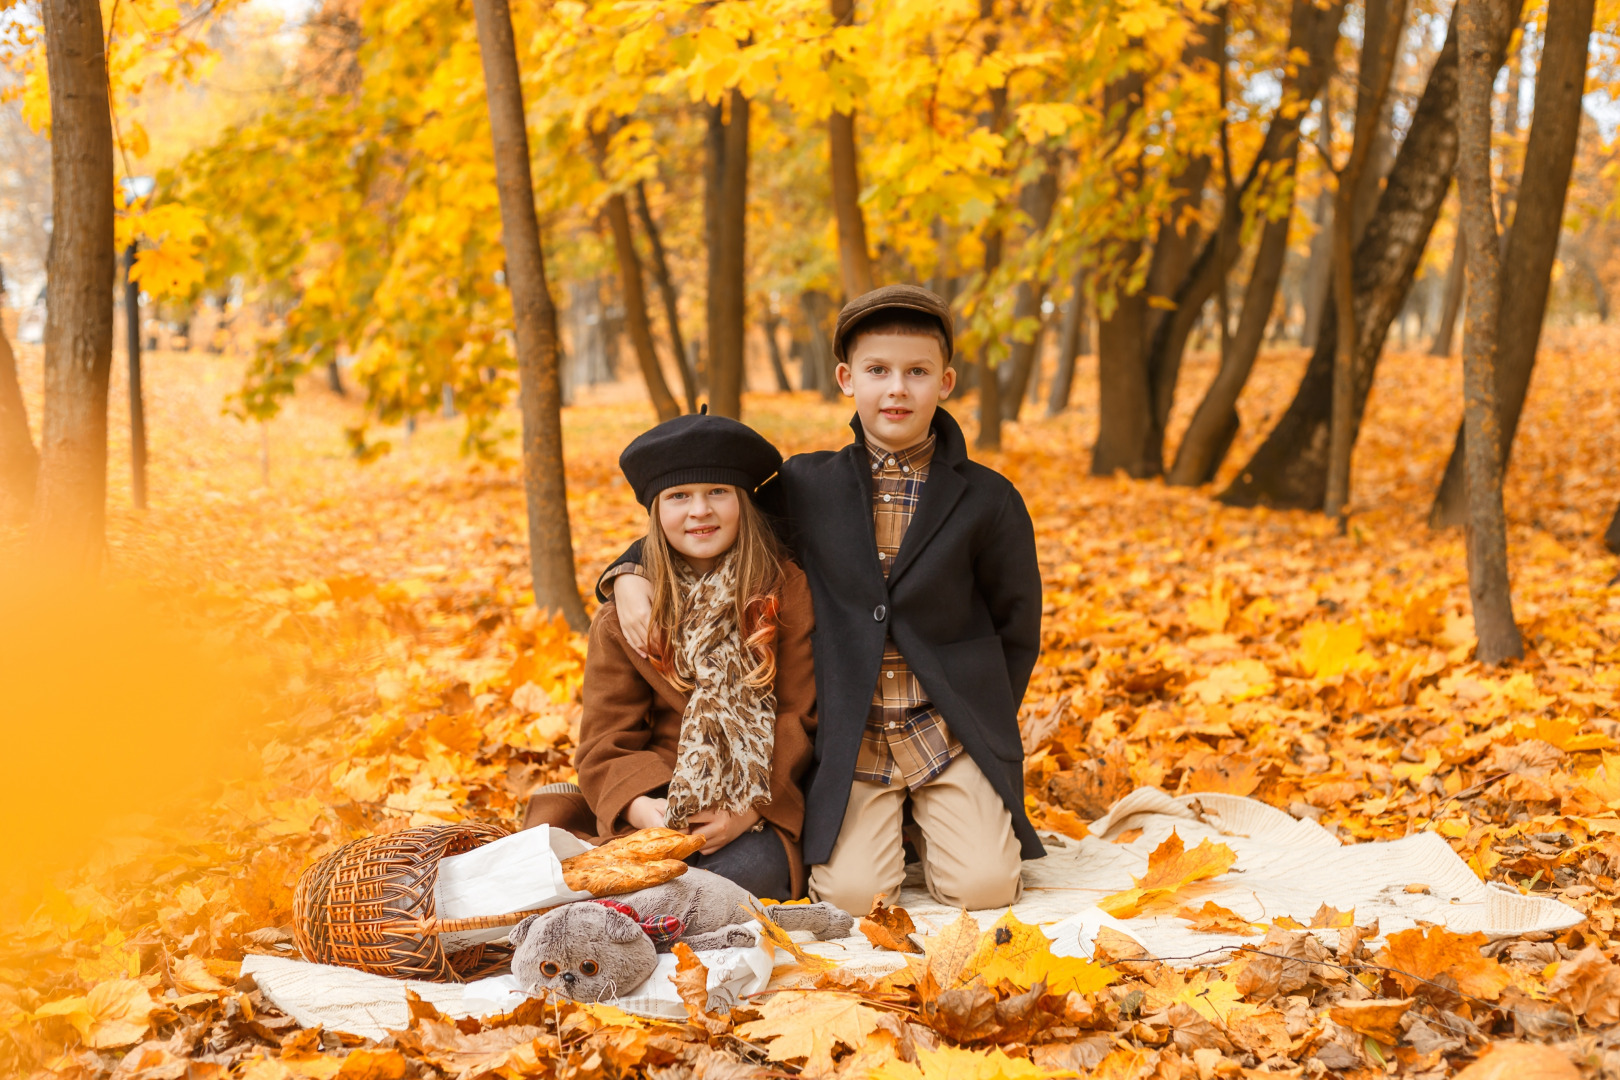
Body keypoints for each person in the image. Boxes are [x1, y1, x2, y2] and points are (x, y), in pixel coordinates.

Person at [601, 284, 1043, 914]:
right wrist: (627, 572)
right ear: (846, 379)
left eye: (917, 372)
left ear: (945, 382)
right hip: (853, 735)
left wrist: (981, 713)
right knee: (851, 897)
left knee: (986, 888)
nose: (897, 389)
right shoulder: (809, 484)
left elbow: (1017, 624)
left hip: (945, 732)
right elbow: (713, 528)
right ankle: (895, 828)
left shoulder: (988, 499)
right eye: (878, 371)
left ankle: (944, 818)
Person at [526, 414, 817, 900]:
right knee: (604, 878)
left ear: (744, 502)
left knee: (735, 881)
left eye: (717, 493)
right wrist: (642, 808)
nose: (699, 511)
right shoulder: (627, 616)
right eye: (679, 497)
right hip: (661, 798)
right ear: (656, 512)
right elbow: (605, 741)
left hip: (755, 802)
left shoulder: (786, 592)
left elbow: (799, 718)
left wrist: (748, 811)